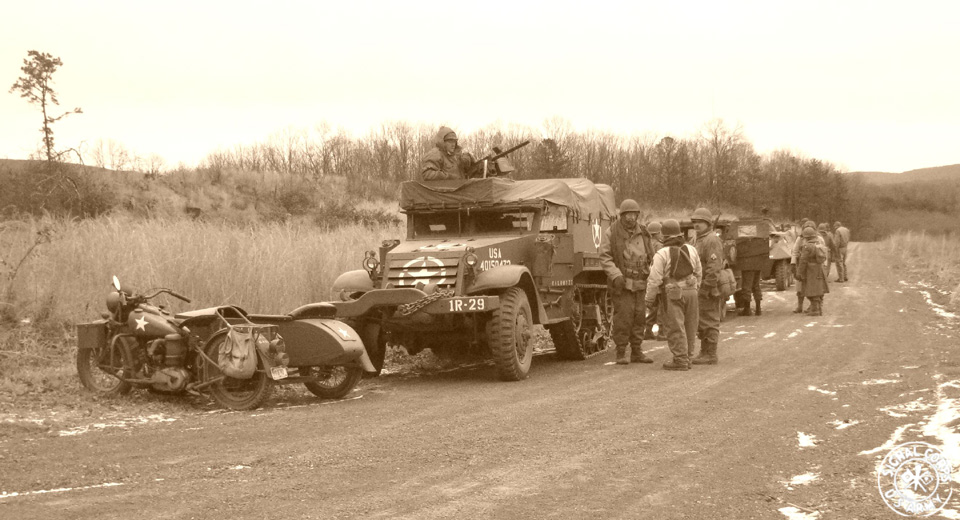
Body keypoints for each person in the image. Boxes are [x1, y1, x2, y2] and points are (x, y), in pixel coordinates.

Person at [599, 199, 655, 365]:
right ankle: (621, 351)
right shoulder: (611, 232)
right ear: (621, 215)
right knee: (623, 317)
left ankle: (637, 351)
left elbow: (651, 255)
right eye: (627, 214)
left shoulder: (644, 232)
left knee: (639, 317)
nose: (631, 218)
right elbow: (604, 256)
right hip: (622, 283)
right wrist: (615, 275)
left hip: (640, 282)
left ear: (637, 215)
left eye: (634, 214)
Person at [646, 219, 702, 370]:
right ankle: (688, 357)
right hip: (692, 291)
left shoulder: (662, 253)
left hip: (673, 292)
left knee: (675, 326)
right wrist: (695, 288)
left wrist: (649, 300)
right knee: (691, 325)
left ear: (663, 236)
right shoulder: (692, 249)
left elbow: (654, 280)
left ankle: (680, 359)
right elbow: (698, 272)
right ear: (680, 233)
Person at [690, 207, 723, 365]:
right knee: (702, 320)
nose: (696, 225)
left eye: (700, 222)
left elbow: (714, 266)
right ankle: (705, 350)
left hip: (708, 288)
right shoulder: (698, 239)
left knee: (709, 320)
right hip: (699, 286)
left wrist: (707, 287)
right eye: (695, 222)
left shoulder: (711, 240)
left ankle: (710, 353)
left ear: (708, 223)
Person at [790, 220, 827, 313]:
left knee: (815, 287)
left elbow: (823, 252)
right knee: (801, 287)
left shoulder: (818, 239)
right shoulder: (801, 239)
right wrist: (793, 263)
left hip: (812, 266)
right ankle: (801, 306)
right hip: (806, 265)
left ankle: (815, 307)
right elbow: (794, 251)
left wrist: (824, 265)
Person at [644, 222, 667, 341]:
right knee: (662, 306)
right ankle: (662, 332)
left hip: (649, 279)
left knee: (652, 307)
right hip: (659, 279)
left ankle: (648, 331)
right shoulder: (659, 246)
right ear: (658, 233)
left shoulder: (646, 244)